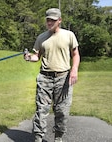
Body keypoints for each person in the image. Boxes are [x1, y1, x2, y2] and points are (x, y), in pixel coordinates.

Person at [24, 8, 80, 142]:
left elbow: (75, 54)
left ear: (59, 20)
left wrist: (74, 69)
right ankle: (38, 138)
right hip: (45, 78)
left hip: (63, 77)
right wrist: (28, 57)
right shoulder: (41, 37)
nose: (50, 22)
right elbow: (37, 56)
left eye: (53, 20)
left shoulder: (69, 35)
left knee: (62, 111)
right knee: (41, 110)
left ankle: (58, 137)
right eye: (48, 20)